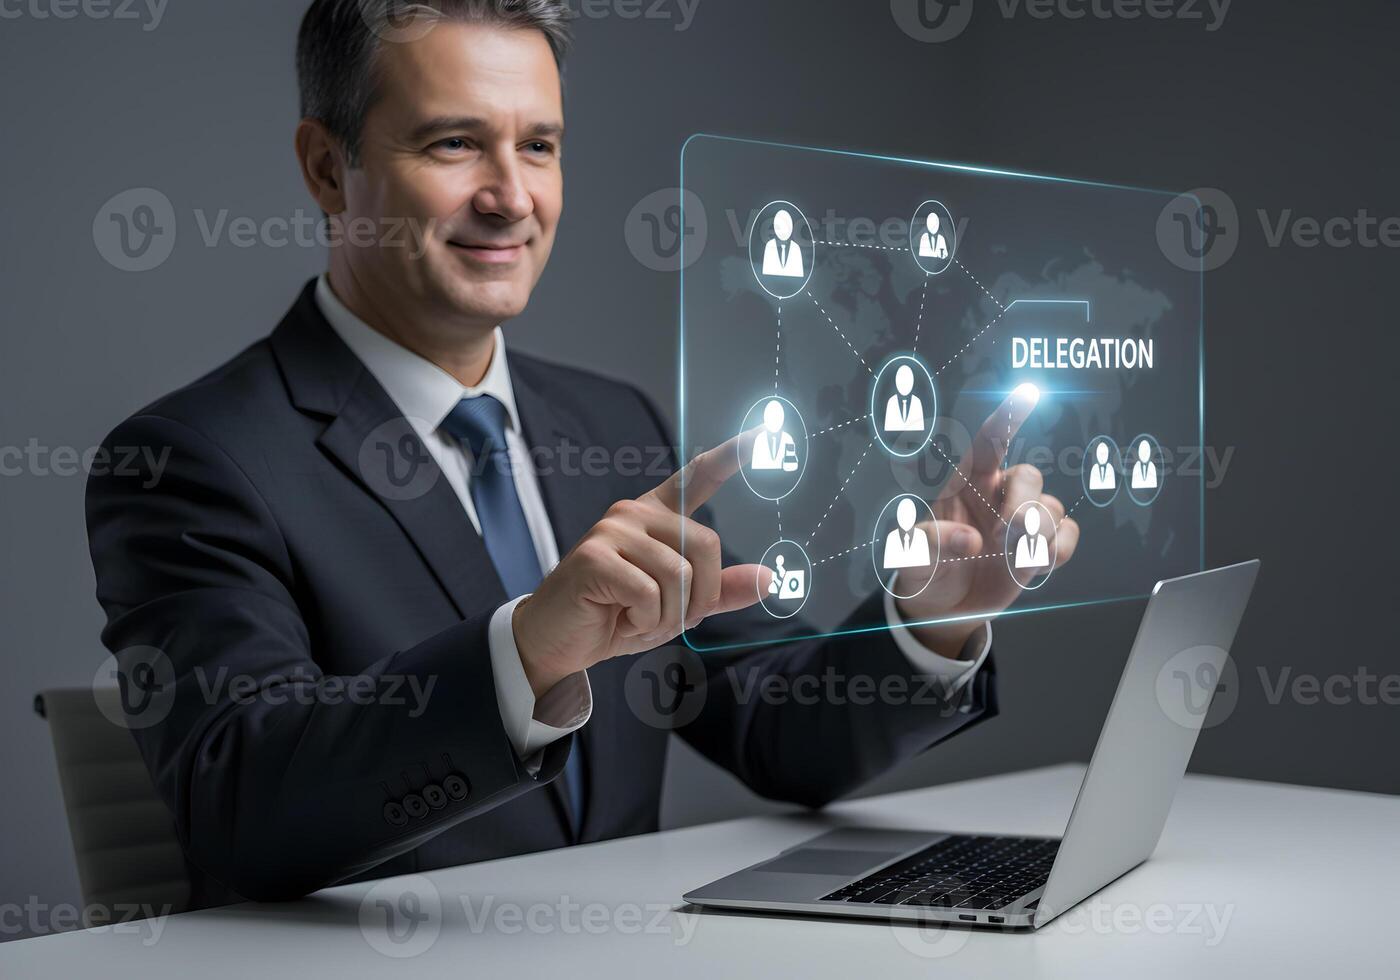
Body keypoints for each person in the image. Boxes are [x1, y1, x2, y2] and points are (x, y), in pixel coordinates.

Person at [84, 0, 1078, 906]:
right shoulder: (192, 460)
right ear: (322, 165)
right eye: (454, 143)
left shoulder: (613, 427)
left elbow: (780, 736)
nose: (511, 196)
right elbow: (242, 808)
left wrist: (927, 618)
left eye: (540, 145)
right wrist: (525, 653)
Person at [883, 498, 932, 570]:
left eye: (909, 514)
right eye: (903, 514)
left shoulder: (921, 535)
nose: (906, 518)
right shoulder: (892, 537)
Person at [750, 399, 798, 471]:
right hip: (761, 479)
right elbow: (755, 468)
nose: (774, 419)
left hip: (785, 479)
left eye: (777, 416)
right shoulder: (759, 439)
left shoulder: (788, 438)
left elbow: (792, 467)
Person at [762, 209, 805, 278]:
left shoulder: (796, 248)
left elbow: (799, 276)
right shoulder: (769, 246)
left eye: (787, 225)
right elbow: (764, 275)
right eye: (780, 226)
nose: (784, 229)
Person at [883, 364, 926, 433]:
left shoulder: (917, 402)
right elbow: (888, 431)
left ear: (912, 381)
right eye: (901, 379)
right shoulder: (891, 402)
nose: (904, 383)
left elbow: (920, 431)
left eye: (908, 379)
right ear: (896, 381)